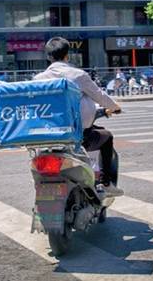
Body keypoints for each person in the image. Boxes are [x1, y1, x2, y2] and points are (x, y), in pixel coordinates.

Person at [34, 37, 124, 196]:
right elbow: (99, 96)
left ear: (48, 57)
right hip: (77, 136)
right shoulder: (78, 75)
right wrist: (115, 107)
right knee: (107, 137)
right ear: (67, 55)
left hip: (47, 138)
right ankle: (106, 183)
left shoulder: (38, 79)